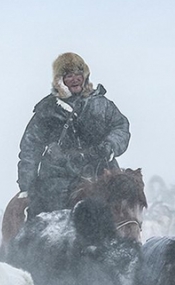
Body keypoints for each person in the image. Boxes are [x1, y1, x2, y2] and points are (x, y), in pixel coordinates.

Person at [16, 52, 131, 217]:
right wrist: (27, 184)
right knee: (51, 218)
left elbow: (120, 126)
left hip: (100, 169)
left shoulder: (102, 104)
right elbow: (30, 146)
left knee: (125, 206)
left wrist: (110, 146)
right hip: (60, 177)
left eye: (79, 74)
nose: (75, 79)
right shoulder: (47, 110)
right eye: (69, 76)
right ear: (60, 81)